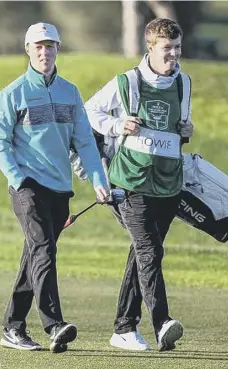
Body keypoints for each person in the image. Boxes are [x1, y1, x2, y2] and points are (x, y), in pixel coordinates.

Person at [0, 22, 110, 353]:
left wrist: (99, 181)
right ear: (28, 50)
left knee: (35, 254)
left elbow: (84, 142)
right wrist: (18, 178)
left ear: (58, 49)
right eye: (38, 47)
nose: (44, 52)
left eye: (50, 46)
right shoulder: (12, 93)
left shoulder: (70, 92)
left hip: (60, 189)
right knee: (44, 250)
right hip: (27, 187)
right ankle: (54, 324)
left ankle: (12, 327)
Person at [84, 18, 194, 352]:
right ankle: (162, 323)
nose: (173, 55)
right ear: (150, 48)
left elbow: (177, 130)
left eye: (177, 48)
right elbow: (89, 112)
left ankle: (123, 328)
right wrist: (118, 125)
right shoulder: (127, 82)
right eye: (166, 49)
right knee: (149, 250)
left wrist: (186, 132)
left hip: (169, 185)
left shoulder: (184, 83)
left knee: (142, 252)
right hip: (129, 183)